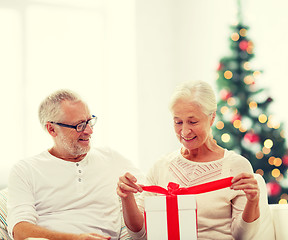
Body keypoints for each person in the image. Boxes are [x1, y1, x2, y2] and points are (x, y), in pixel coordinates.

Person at [117, 81, 273, 240]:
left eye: (193, 122)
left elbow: (242, 236)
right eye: (178, 122)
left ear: (212, 118)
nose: (184, 131)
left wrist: (252, 201)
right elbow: (140, 235)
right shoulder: (161, 167)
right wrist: (126, 198)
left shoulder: (236, 166)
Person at [7, 89, 143, 240]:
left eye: (89, 121)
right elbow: (20, 230)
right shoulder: (25, 170)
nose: (89, 131)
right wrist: (76, 238)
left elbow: (151, 194)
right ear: (52, 129)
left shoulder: (111, 159)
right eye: (80, 125)